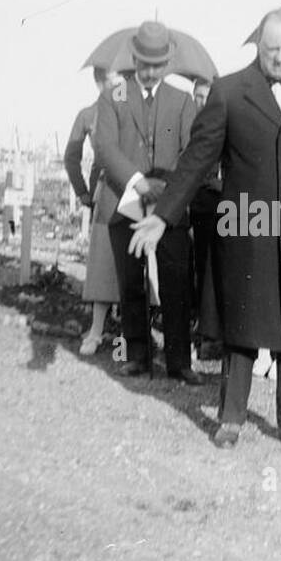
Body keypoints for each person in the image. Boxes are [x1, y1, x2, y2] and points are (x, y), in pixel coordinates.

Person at [128, 7, 281, 450]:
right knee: (241, 327)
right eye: (269, 48)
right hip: (245, 230)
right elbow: (196, 161)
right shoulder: (228, 91)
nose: (277, 58)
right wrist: (163, 216)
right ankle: (231, 418)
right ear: (258, 45)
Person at [93, 21, 198, 382]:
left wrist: (166, 190)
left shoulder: (183, 100)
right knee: (131, 283)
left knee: (176, 283)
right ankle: (136, 355)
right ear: (134, 57)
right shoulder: (114, 95)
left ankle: (179, 362)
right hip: (125, 200)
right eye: (144, 63)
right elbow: (104, 147)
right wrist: (138, 182)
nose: (150, 72)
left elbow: (192, 153)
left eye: (158, 64)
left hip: (169, 203)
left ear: (168, 62)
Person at [64, 67, 122, 355]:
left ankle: (131, 333)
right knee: (103, 260)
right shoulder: (88, 114)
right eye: (112, 79)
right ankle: (97, 329)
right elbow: (71, 156)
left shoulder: (133, 109)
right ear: (99, 82)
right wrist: (83, 193)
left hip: (136, 192)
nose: (118, 84)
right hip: (105, 191)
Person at [186, 77, 224, 359]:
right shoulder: (192, 126)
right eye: (196, 96)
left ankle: (213, 334)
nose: (199, 101)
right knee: (201, 269)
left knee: (217, 272)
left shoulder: (221, 122)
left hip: (222, 208)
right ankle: (203, 330)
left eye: (204, 96)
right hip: (200, 206)